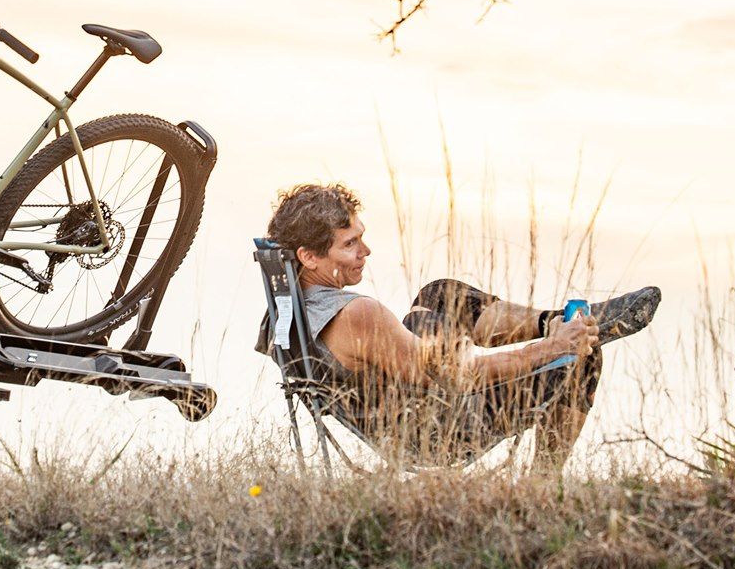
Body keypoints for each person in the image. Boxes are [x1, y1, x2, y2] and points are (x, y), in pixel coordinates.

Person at [258, 183, 661, 465]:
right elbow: (460, 375)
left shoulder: (286, 314)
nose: (366, 251)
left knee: (438, 294)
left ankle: (553, 320)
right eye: (350, 244)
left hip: (406, 409)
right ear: (309, 256)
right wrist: (552, 350)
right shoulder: (358, 315)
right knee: (582, 356)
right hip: (441, 429)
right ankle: (544, 484)